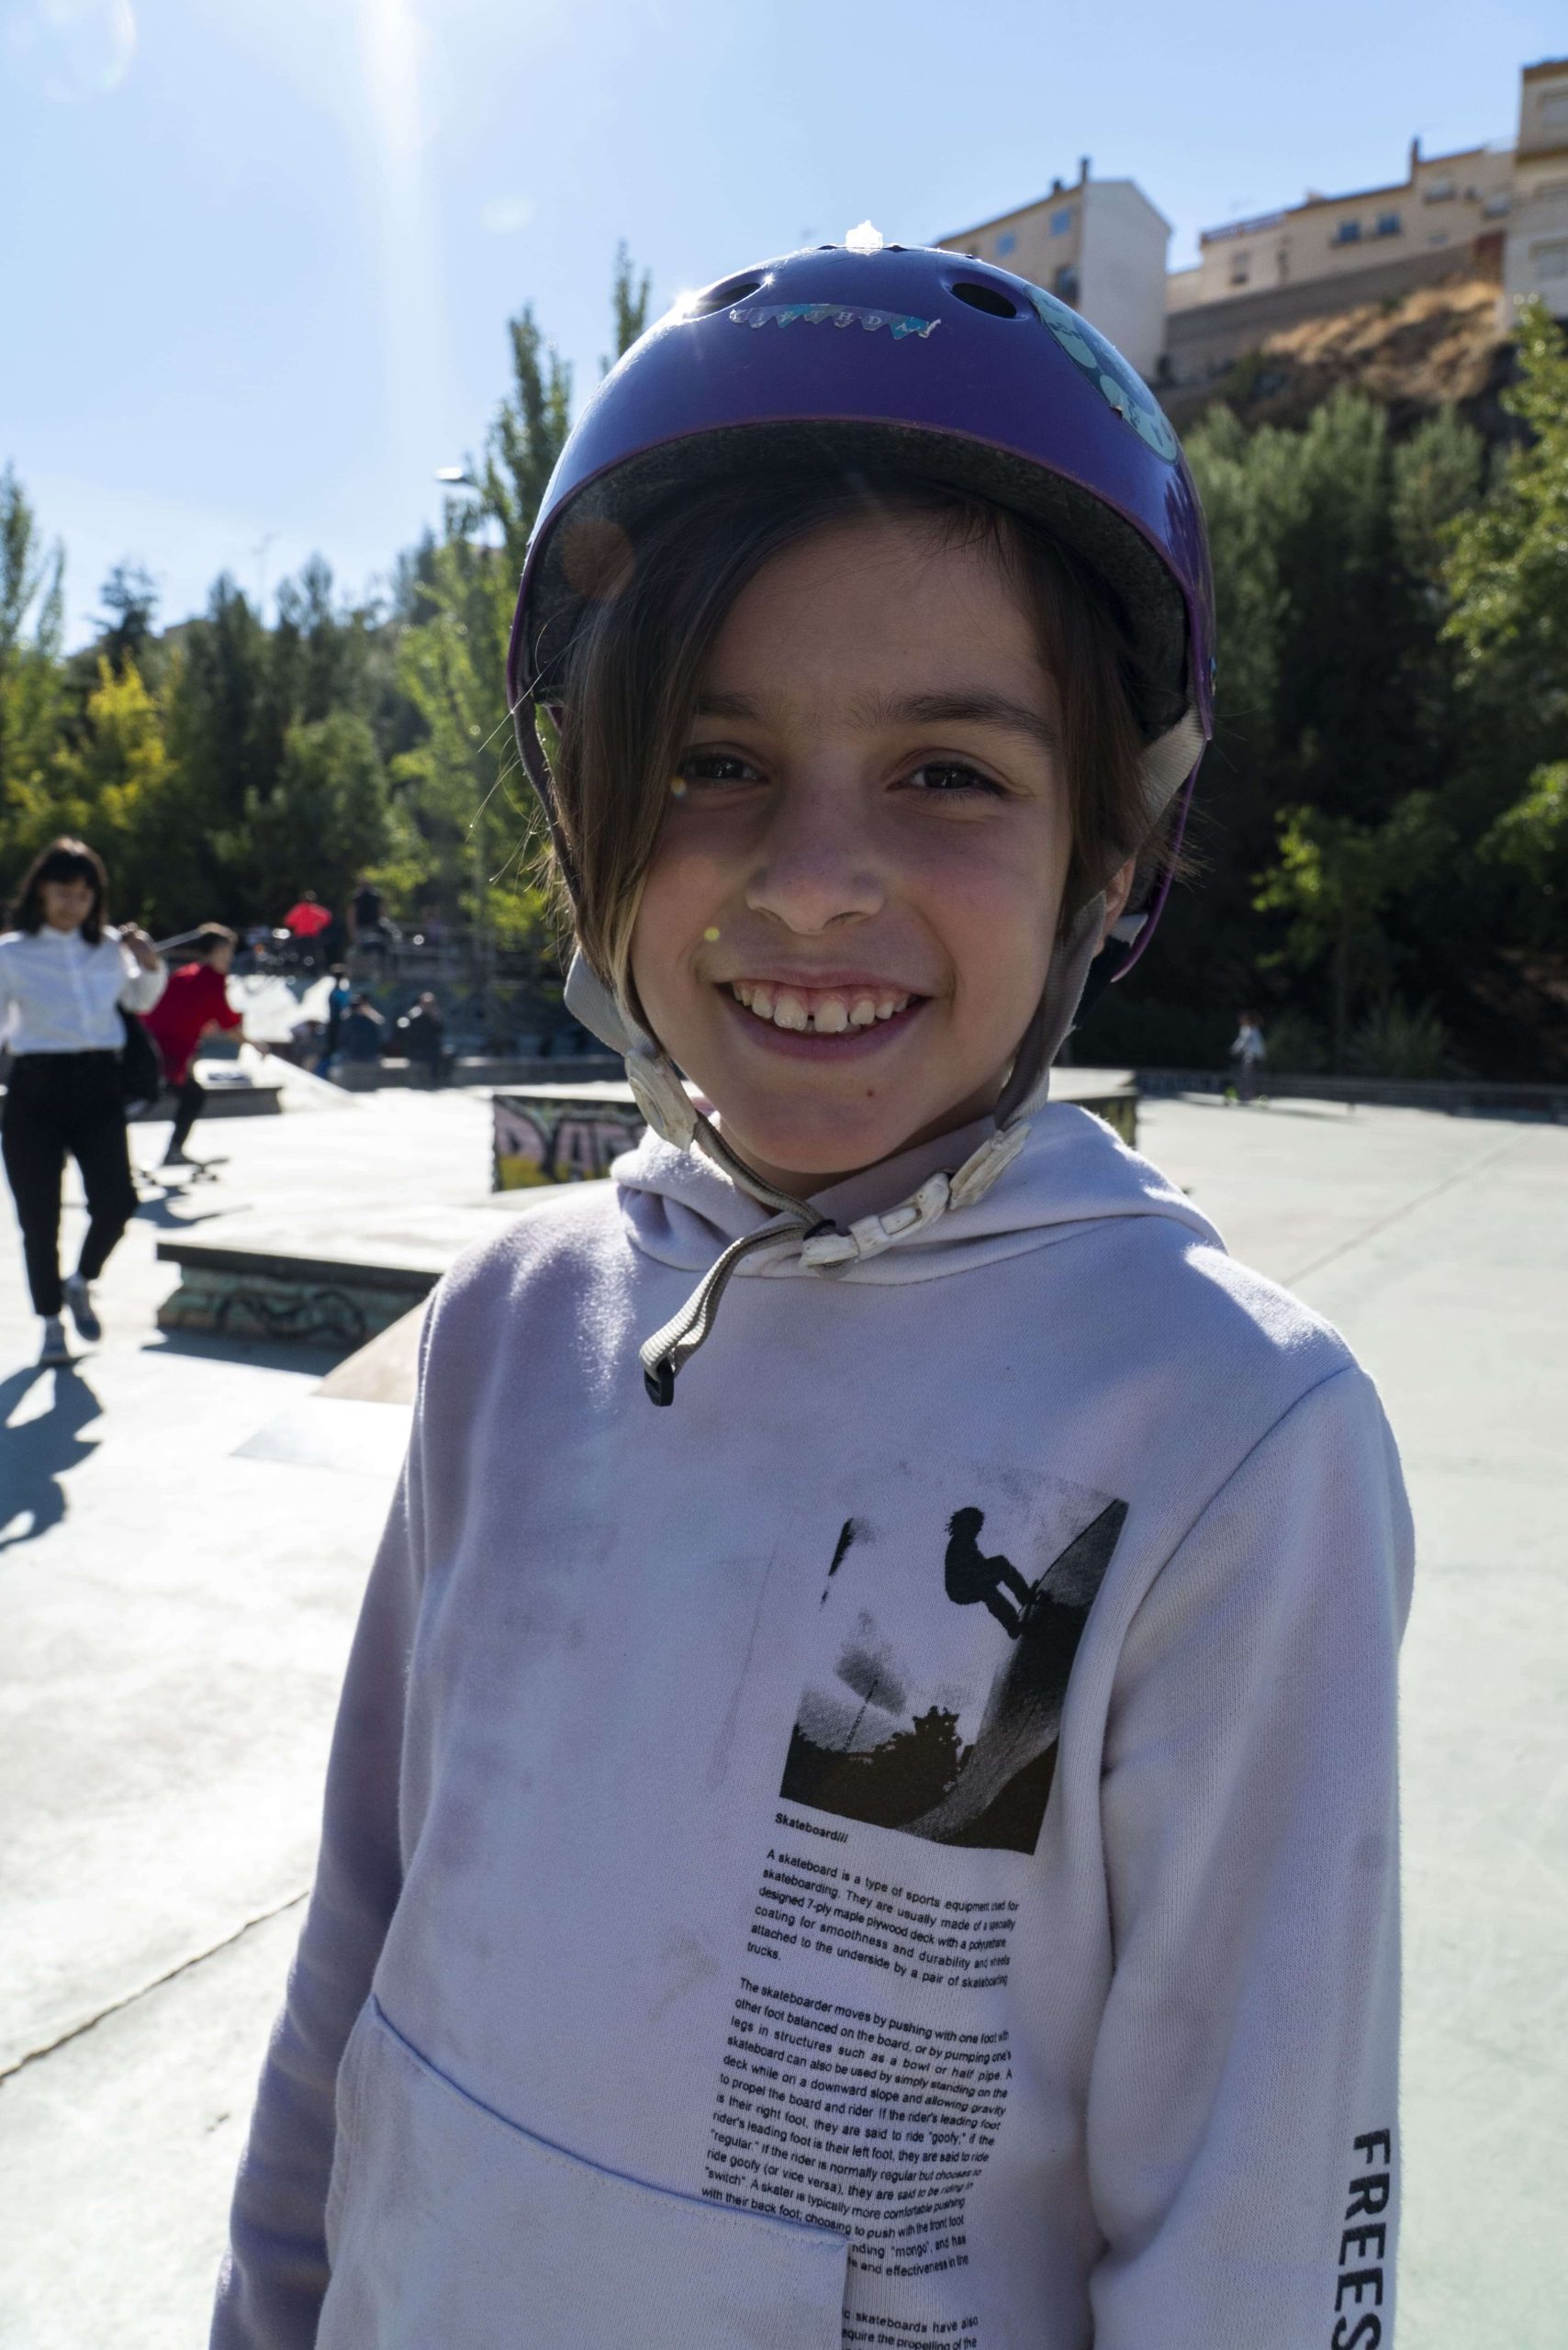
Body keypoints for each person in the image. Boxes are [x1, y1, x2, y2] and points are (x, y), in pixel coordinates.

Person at [214, 245, 1412, 2349]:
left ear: (1114, 848)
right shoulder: (507, 1326)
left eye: (950, 771)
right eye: (708, 759)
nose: (809, 876)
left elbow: (1257, 2216)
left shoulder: (1223, 1435)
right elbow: (356, 1957)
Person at [0, 836, 165, 1363]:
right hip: (34, 1088)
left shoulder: (110, 947)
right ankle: (50, 1324)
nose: (74, 902)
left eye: (84, 893)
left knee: (118, 1200)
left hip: (98, 1085)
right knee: (38, 1216)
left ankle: (82, 1280)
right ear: (41, 892)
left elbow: (137, 1001)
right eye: (63, 891)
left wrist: (148, 963)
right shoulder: (12, 954)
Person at [141, 923, 245, 1169]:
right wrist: (255, 1044)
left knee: (187, 1094)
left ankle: (174, 1151)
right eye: (228, 950)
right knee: (147, 1098)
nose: (230, 957)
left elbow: (187, 1010)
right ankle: (173, 1151)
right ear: (217, 950)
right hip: (167, 1051)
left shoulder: (188, 973)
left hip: (154, 1044)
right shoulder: (212, 979)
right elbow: (229, 1024)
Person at [394, 990, 448, 1086]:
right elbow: (410, 1034)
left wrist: (435, 1018)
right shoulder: (414, 1015)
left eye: (431, 1004)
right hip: (418, 1048)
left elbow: (440, 1031)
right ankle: (433, 1080)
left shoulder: (434, 1016)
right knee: (433, 1055)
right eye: (426, 1004)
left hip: (431, 1047)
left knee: (447, 1054)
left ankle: (443, 1080)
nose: (429, 1006)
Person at [1229, 1006, 1267, 1104]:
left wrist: (1234, 1049)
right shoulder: (1255, 1029)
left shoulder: (1247, 1029)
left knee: (1247, 1077)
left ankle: (1246, 1096)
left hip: (1251, 1057)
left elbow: (1242, 1042)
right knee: (1251, 1077)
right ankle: (1250, 1095)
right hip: (1257, 1057)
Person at [337, 991, 386, 1064]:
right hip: (352, 1054)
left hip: (369, 1054)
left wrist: (368, 1012)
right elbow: (341, 1032)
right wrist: (350, 1011)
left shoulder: (371, 1018)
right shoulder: (349, 1019)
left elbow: (382, 1027)